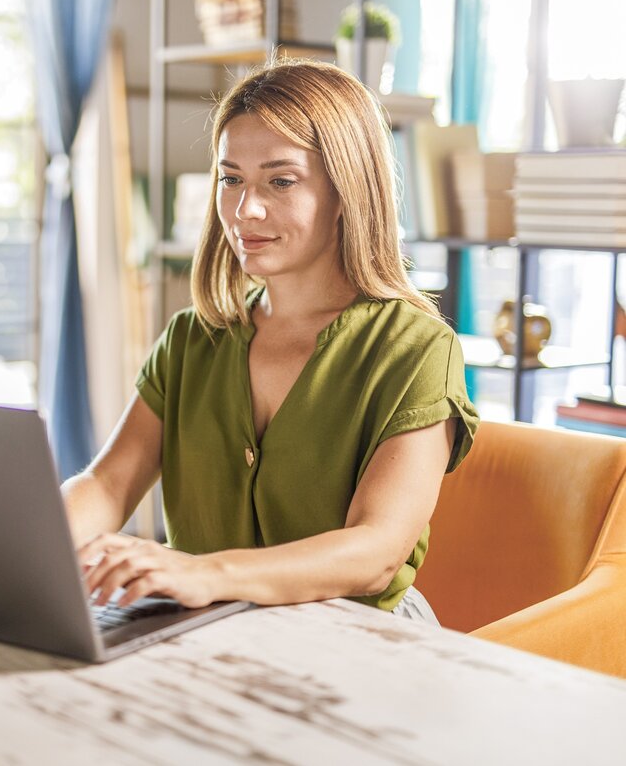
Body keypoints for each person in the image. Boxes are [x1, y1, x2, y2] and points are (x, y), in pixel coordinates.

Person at [62, 58, 479, 622]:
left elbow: (376, 552)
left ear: (346, 192)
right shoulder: (192, 338)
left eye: (280, 181)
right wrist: (34, 541)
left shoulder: (415, 349)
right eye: (230, 178)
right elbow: (108, 484)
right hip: (204, 625)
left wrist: (201, 572)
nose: (244, 210)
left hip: (358, 635)